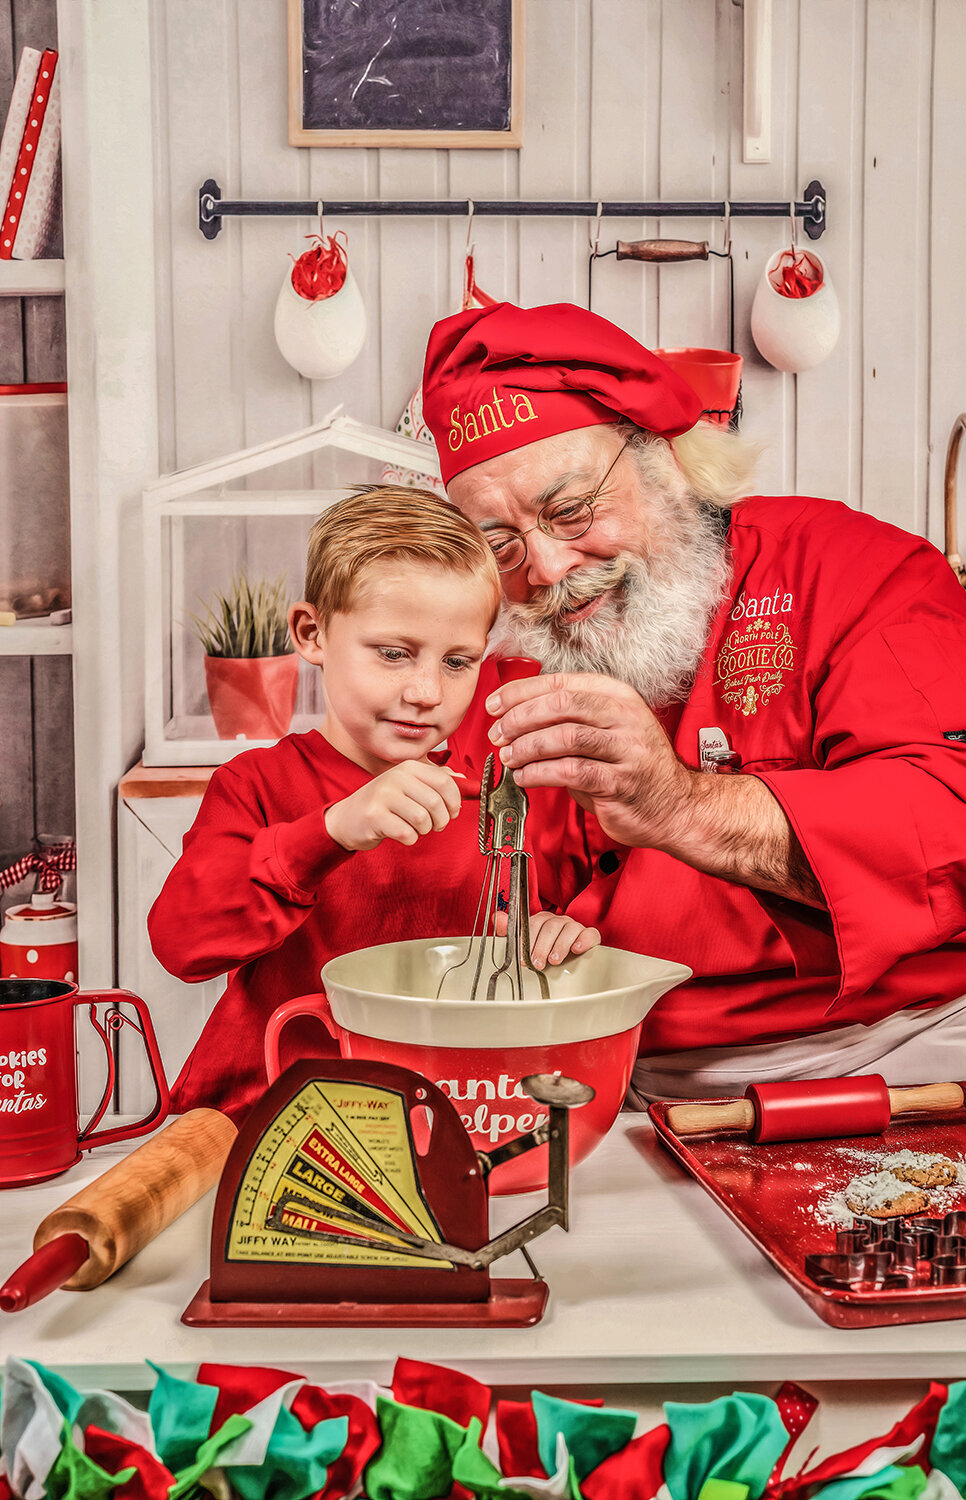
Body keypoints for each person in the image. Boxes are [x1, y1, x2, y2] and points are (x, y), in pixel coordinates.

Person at [419, 301, 966, 1101]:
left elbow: (949, 814)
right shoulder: (492, 661)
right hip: (603, 1076)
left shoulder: (852, 570)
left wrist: (685, 807)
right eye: (498, 544)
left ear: (664, 461)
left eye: (569, 510)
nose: (541, 568)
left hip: (891, 1059)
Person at [149, 486, 599, 1123]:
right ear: (312, 634)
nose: (425, 691)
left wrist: (548, 937)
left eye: (457, 661)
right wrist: (331, 831)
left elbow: (511, 957)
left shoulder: (497, 802)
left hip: (438, 1121)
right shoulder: (256, 785)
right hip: (270, 1119)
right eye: (393, 653)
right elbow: (180, 942)